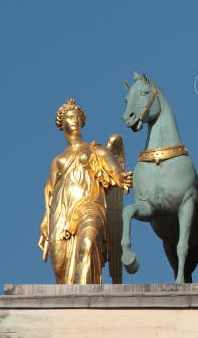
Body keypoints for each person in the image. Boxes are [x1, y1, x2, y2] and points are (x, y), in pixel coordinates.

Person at [38, 99, 132, 284]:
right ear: (61, 123)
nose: (74, 120)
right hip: (62, 211)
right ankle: (68, 304)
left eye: (77, 117)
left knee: (87, 245)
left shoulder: (94, 150)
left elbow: (114, 168)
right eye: (69, 117)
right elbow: (51, 194)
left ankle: (84, 298)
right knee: (59, 265)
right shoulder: (57, 161)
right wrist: (45, 223)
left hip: (90, 204)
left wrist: (122, 177)